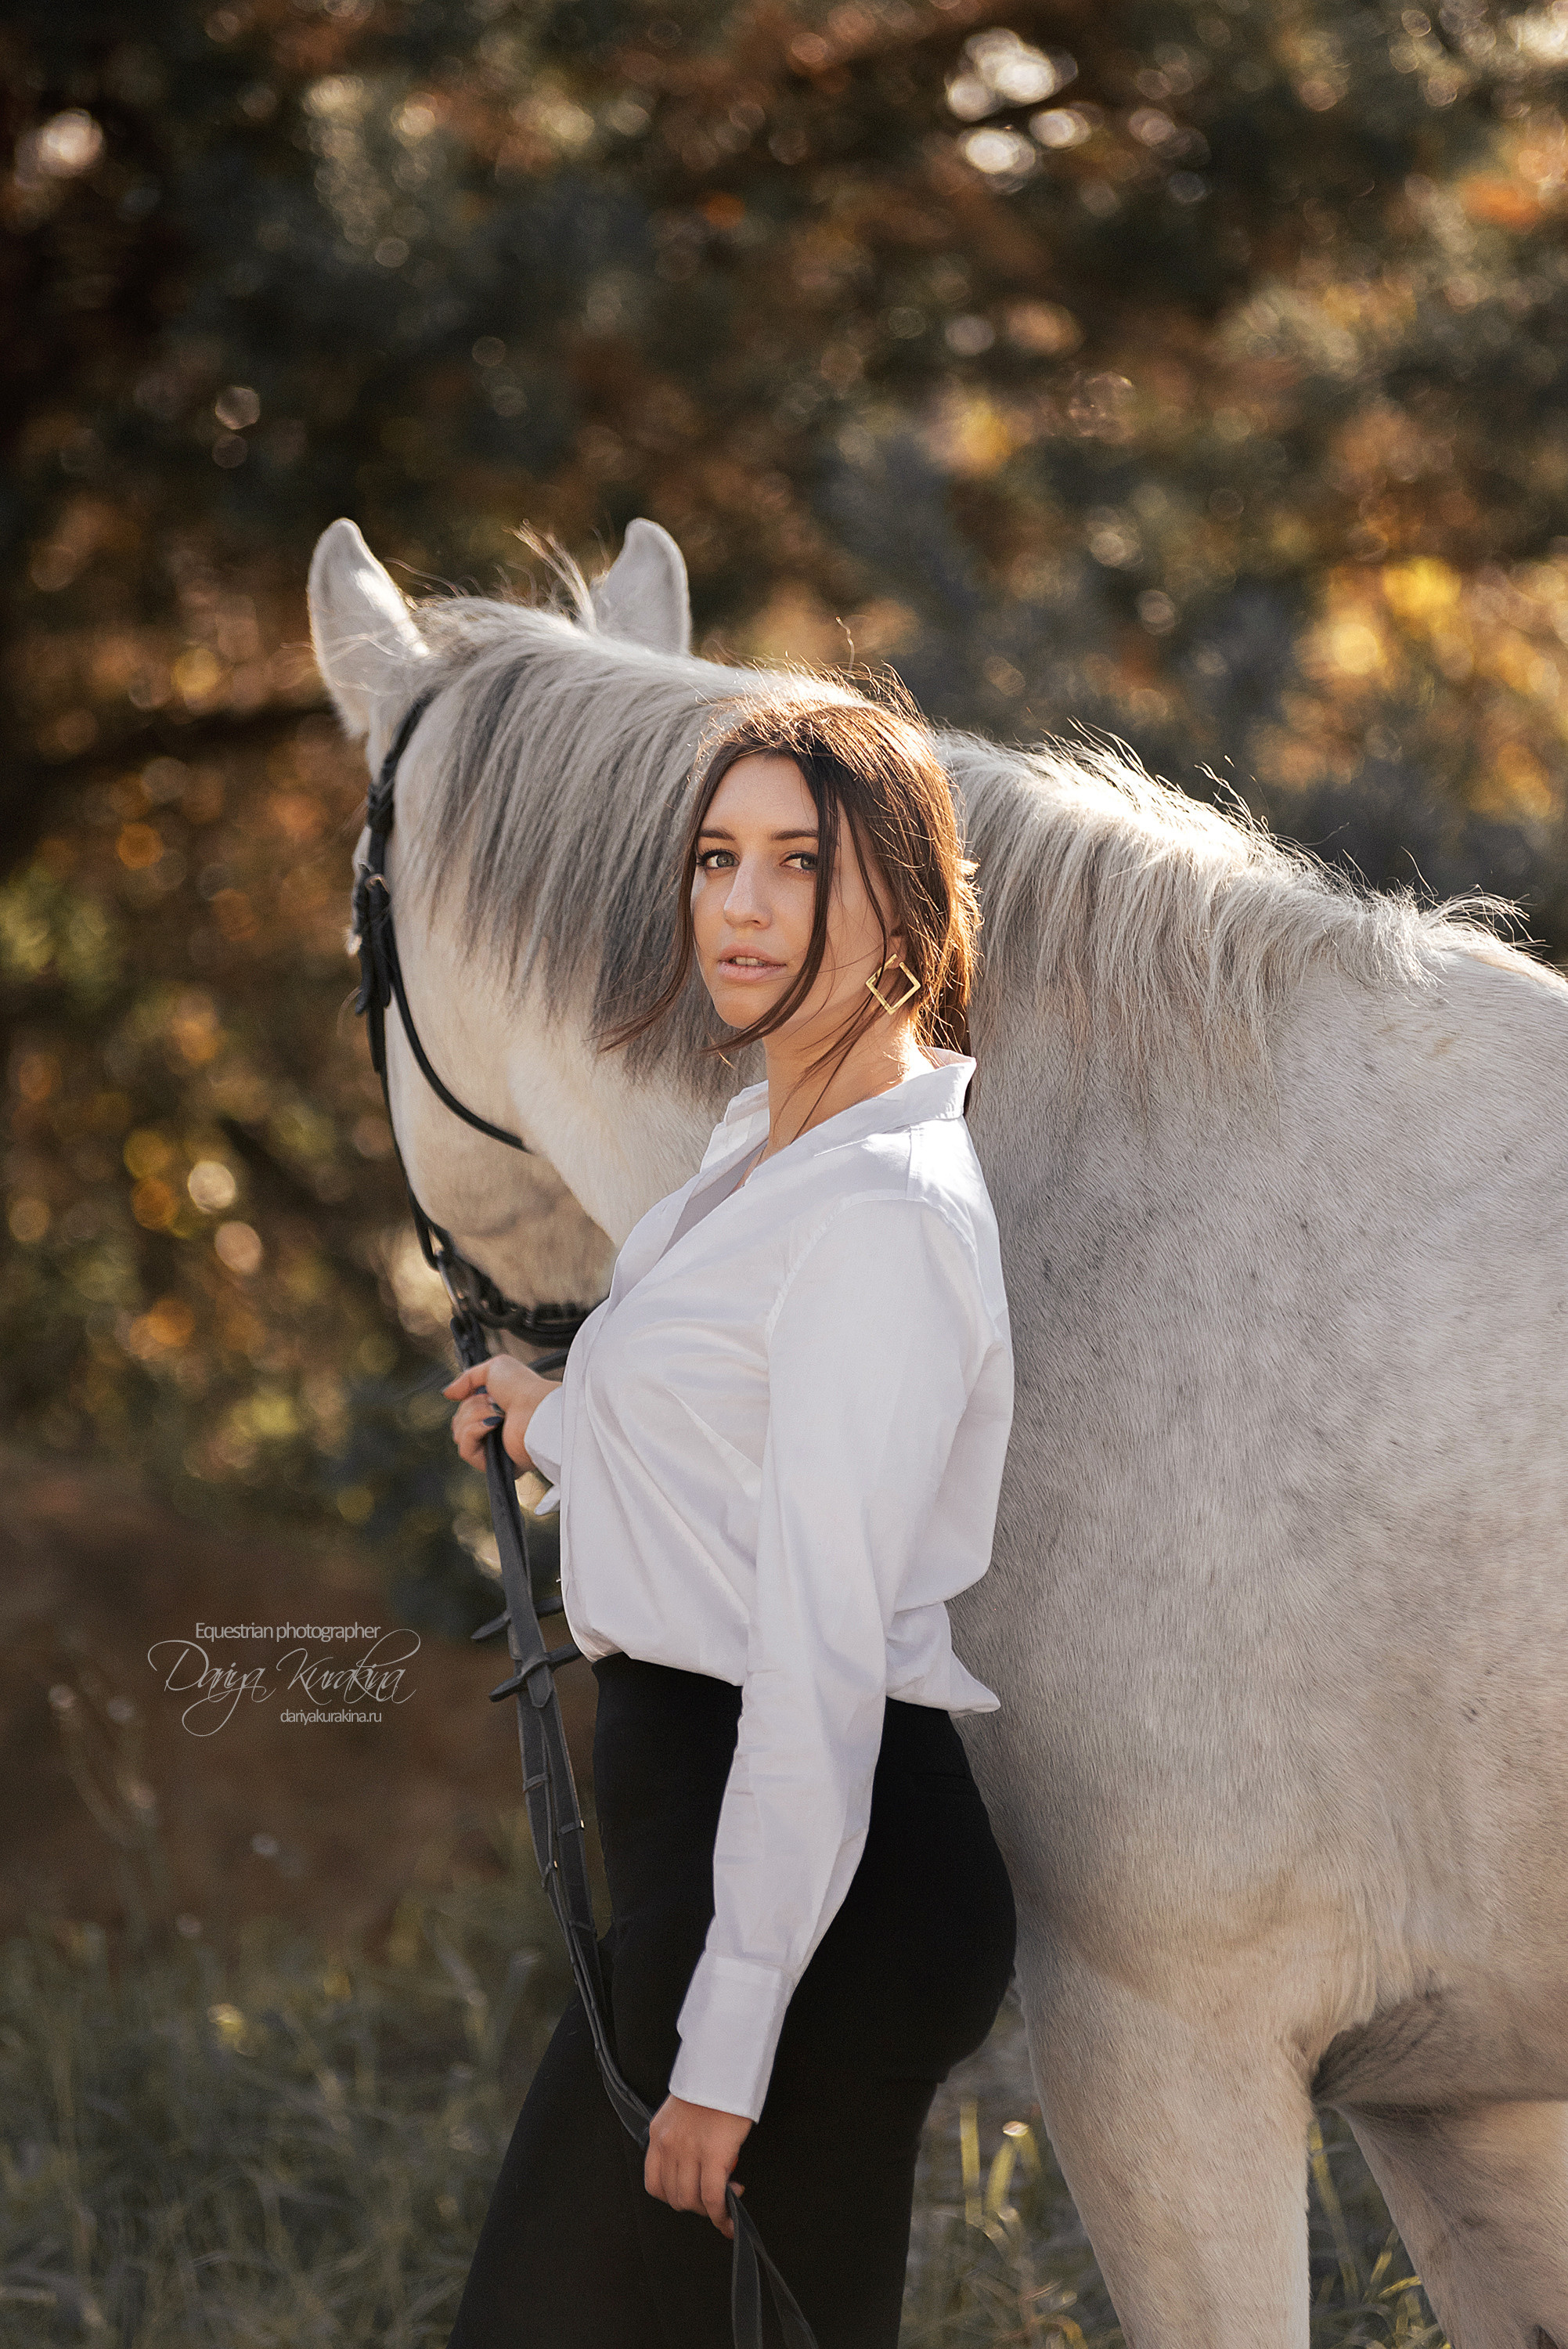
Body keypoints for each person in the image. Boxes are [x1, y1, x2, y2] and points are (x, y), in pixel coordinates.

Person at [442, 693, 1017, 2349]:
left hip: (811, 1883)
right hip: (725, 1849)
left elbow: (823, 1648)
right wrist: (563, 1419)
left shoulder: (882, 1216)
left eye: (797, 866)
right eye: (717, 860)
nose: (741, 907)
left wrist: (730, 2042)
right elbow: (737, 1463)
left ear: (901, 902)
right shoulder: (760, 1152)